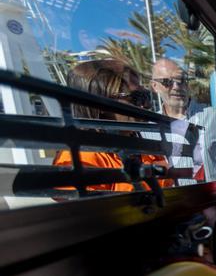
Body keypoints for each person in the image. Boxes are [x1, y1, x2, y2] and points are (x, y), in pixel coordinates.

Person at [53, 60, 172, 192]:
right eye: (137, 97)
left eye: (145, 96)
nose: (147, 105)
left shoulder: (143, 148)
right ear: (101, 104)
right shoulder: (81, 157)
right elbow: (85, 210)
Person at [150, 58, 216, 182]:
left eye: (181, 80)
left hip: (213, 198)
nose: (177, 87)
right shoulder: (149, 130)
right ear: (155, 86)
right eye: (167, 82)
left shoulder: (214, 117)